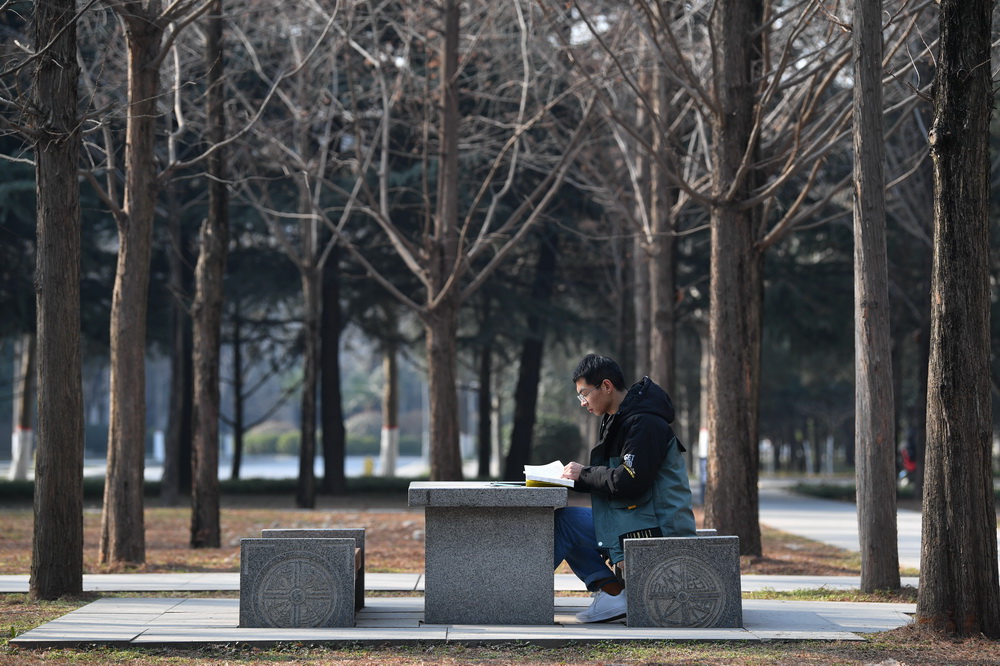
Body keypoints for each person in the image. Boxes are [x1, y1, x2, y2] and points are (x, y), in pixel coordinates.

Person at [554, 353, 697, 622]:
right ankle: (613, 593)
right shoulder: (619, 419)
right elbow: (617, 478)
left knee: (565, 524)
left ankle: (516, 597)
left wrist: (583, 474)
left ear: (606, 386)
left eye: (584, 394)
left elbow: (630, 481)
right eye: (579, 397)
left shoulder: (644, 422)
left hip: (657, 527)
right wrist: (580, 477)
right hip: (633, 517)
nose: (583, 402)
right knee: (565, 519)